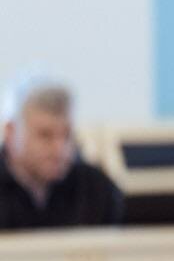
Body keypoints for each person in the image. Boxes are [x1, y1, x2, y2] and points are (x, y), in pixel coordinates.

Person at [0, 78, 123, 229]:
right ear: (11, 132)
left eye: (66, 135)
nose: (60, 149)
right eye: (45, 135)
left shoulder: (96, 189)